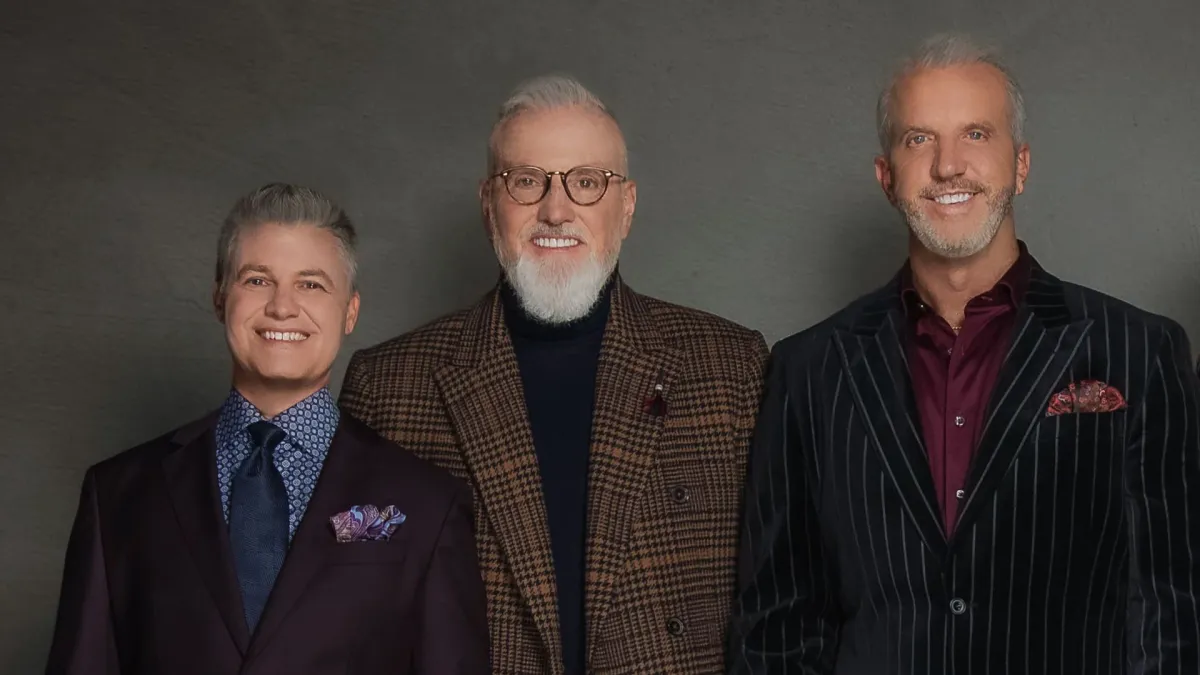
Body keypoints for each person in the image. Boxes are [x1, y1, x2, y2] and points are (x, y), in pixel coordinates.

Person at [728, 34, 1200, 674]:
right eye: (919, 139)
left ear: (1021, 165)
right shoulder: (809, 369)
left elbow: (1172, 610)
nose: (948, 165)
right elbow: (777, 626)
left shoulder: (1138, 351)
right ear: (886, 177)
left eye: (976, 134)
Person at [339, 75, 769, 674]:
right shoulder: (388, 387)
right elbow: (353, 609)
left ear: (627, 206)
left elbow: (778, 603)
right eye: (526, 181)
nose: (556, 210)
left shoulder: (731, 368)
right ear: (488, 203)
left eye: (587, 182)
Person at [45, 183, 489, 675]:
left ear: (350, 311)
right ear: (220, 298)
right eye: (257, 280)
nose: (282, 306)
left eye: (311, 284)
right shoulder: (118, 496)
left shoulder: (428, 504)